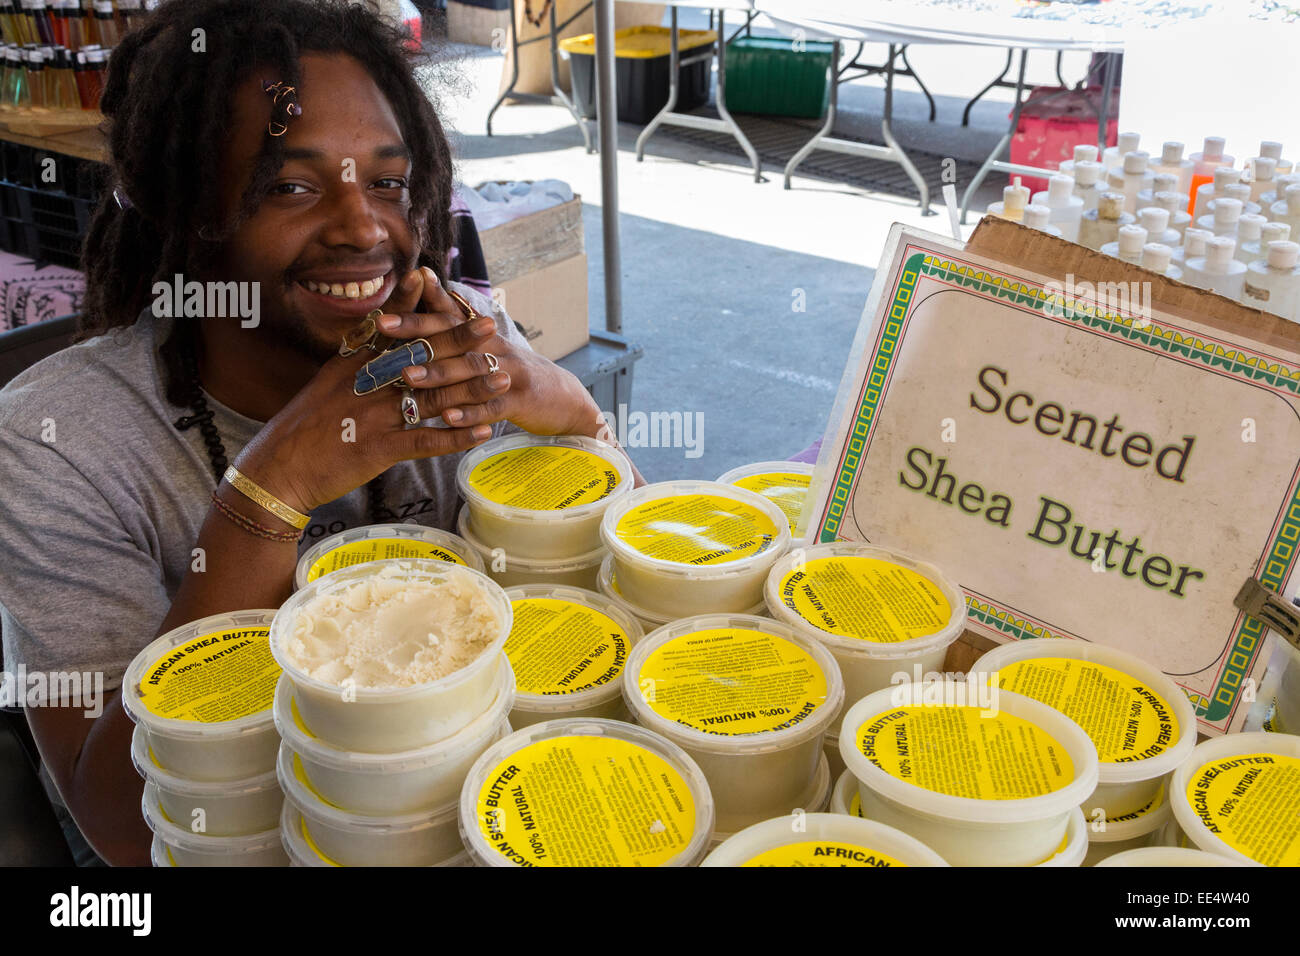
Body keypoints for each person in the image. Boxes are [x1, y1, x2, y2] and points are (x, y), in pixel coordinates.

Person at [0, 0, 636, 866]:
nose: (364, 229)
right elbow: (118, 820)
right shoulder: (56, 444)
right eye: (290, 188)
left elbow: (610, 595)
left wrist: (572, 407)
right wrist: (275, 488)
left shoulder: (462, 340)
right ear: (184, 206)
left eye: (387, 182)